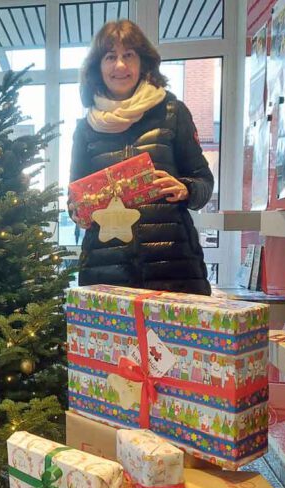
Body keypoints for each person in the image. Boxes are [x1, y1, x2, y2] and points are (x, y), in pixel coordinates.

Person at [69, 20, 214, 296]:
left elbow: (204, 182)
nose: (120, 66)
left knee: (174, 341)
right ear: (98, 67)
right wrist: (77, 211)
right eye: (110, 57)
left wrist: (186, 188)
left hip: (174, 269)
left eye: (128, 55)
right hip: (105, 272)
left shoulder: (172, 112)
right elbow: (74, 199)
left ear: (143, 62)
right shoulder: (86, 128)